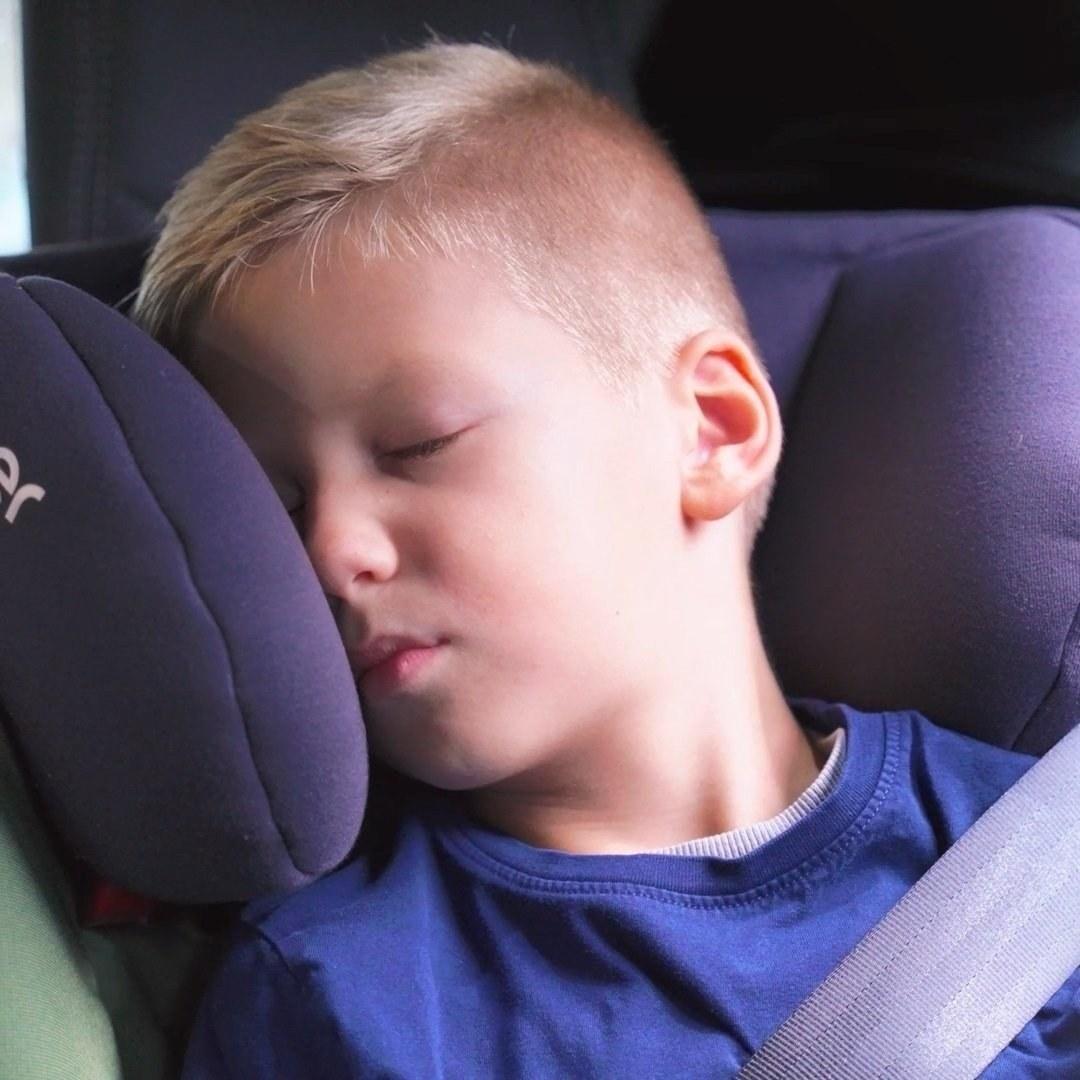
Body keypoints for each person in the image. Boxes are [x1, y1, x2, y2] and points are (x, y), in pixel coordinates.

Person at [133, 40, 1078, 1079]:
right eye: (280, 509)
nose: (330, 552)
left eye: (418, 443)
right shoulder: (334, 1000)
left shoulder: (1041, 872)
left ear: (711, 431)